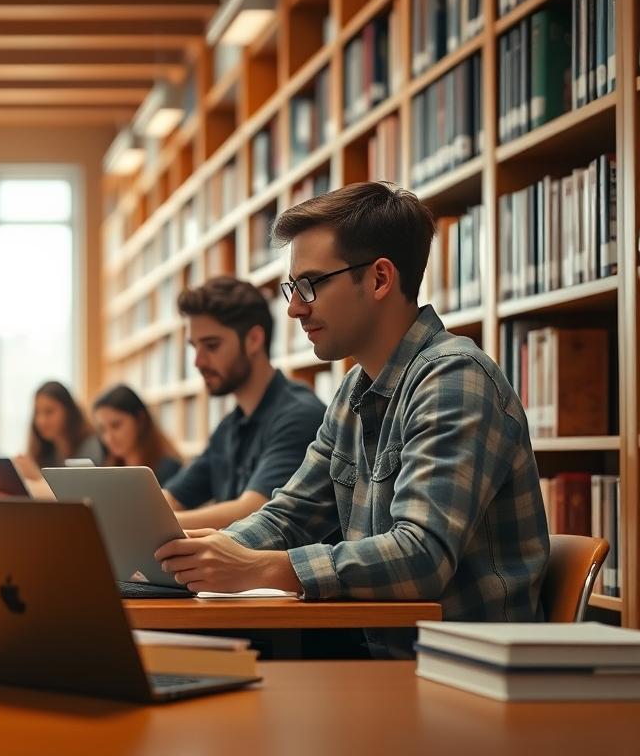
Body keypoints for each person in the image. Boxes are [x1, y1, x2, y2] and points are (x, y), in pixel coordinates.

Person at [155, 182, 550, 658]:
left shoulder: (455, 379)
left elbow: (421, 555)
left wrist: (256, 568)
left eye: (310, 285)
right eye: (292, 288)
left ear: (380, 279)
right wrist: (200, 555)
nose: (295, 308)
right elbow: (290, 514)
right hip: (389, 658)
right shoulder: (353, 390)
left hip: (462, 673)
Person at [162, 276, 326, 529]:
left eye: (211, 345)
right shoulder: (230, 426)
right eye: (194, 347)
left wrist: (149, 522)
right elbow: (171, 498)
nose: (198, 362)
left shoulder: (300, 415)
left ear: (254, 340)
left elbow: (253, 511)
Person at [91, 384, 182, 484]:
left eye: (116, 425)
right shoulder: (106, 470)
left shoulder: (168, 470)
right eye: (102, 430)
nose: (109, 438)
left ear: (140, 419)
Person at [21, 381, 104, 476]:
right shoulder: (44, 452)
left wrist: (36, 477)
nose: (41, 421)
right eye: (37, 412)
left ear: (69, 412)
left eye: (49, 411)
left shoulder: (90, 446)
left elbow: (81, 488)